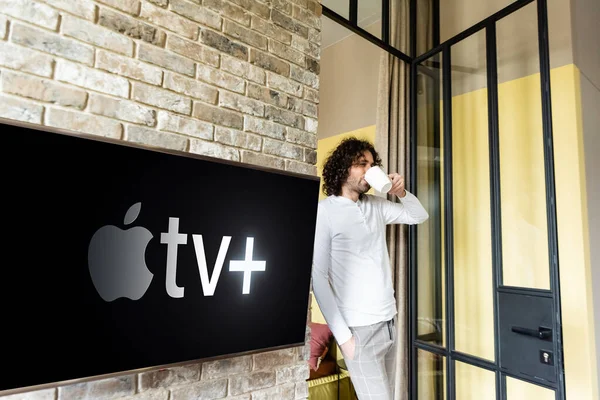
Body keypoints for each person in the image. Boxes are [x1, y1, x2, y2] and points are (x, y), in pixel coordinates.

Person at [312, 137, 429, 400]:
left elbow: (418, 216)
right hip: (358, 330)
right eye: (361, 164)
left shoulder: (375, 206)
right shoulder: (325, 212)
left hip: (389, 321)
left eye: (373, 164)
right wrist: (344, 339)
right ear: (343, 168)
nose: (370, 170)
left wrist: (401, 193)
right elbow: (318, 278)